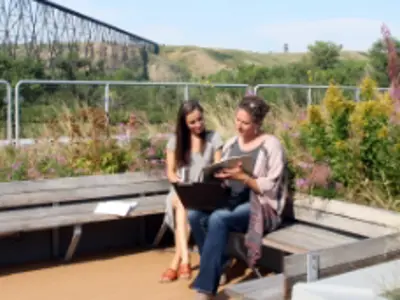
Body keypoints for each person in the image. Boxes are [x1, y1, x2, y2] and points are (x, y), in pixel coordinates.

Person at [188, 95, 288, 299]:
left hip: (259, 205)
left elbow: (272, 185)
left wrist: (244, 177)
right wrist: (218, 176)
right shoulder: (233, 142)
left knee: (218, 218)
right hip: (230, 199)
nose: (239, 126)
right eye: (237, 120)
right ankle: (220, 264)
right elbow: (224, 171)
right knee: (194, 214)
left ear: (258, 124)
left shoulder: (271, 145)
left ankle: (205, 288)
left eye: (245, 122)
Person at [160, 99, 224, 283]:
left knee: (184, 206)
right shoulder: (176, 142)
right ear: (184, 123)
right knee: (182, 201)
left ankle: (177, 262)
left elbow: (217, 168)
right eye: (192, 122)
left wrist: (214, 172)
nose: (198, 124)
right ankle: (185, 261)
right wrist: (179, 182)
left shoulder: (213, 138)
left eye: (200, 119)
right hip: (182, 189)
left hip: (204, 190)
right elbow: (170, 172)